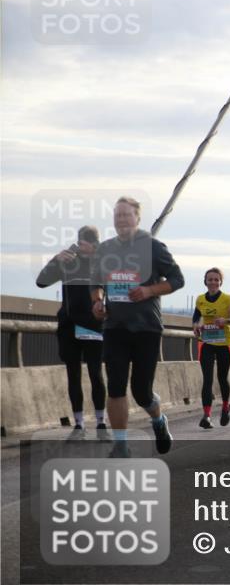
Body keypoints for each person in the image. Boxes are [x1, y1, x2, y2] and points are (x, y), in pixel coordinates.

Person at [91, 196, 184, 457]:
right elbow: (96, 282)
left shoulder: (153, 247)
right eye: (117, 215)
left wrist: (149, 290)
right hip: (115, 327)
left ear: (137, 218)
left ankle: (158, 419)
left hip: (146, 329)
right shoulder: (105, 249)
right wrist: (97, 301)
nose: (121, 220)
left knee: (141, 392)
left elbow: (177, 279)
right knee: (116, 386)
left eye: (126, 215)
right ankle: (121, 445)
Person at [36, 225, 108, 439]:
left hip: (93, 326)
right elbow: (41, 282)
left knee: (96, 374)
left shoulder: (103, 264)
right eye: (80, 242)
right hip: (69, 326)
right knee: (73, 375)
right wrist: (55, 260)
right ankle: (79, 425)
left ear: (95, 245)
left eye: (85, 242)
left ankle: (101, 423)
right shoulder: (68, 261)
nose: (80, 246)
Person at [193, 267, 230, 429]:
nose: (213, 282)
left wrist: (226, 321)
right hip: (207, 343)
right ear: (205, 281)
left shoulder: (228, 299)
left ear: (221, 282)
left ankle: (225, 406)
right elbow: (196, 316)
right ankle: (207, 415)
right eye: (210, 279)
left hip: (224, 343)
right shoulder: (200, 299)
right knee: (207, 379)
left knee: (222, 377)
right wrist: (196, 325)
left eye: (216, 279)